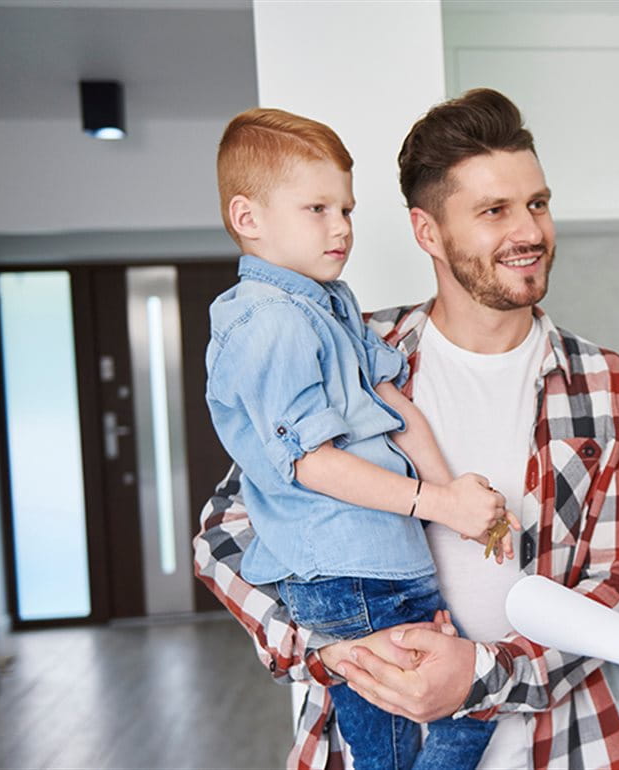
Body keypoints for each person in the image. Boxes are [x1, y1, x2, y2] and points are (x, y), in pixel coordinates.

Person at [194, 89, 619, 770]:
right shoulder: (349, 351)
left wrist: (482, 674)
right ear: (428, 232)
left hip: (558, 748)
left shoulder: (610, 386)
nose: (528, 230)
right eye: (494, 211)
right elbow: (225, 532)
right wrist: (324, 649)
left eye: (537, 203)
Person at [205, 106, 511, 770]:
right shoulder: (268, 324)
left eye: (346, 209)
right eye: (317, 209)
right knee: (390, 749)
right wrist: (438, 505)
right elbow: (313, 465)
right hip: (344, 574)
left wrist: (453, 492)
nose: (341, 227)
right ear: (248, 219)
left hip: (390, 560)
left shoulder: (331, 301)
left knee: (472, 700)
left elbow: (395, 404)